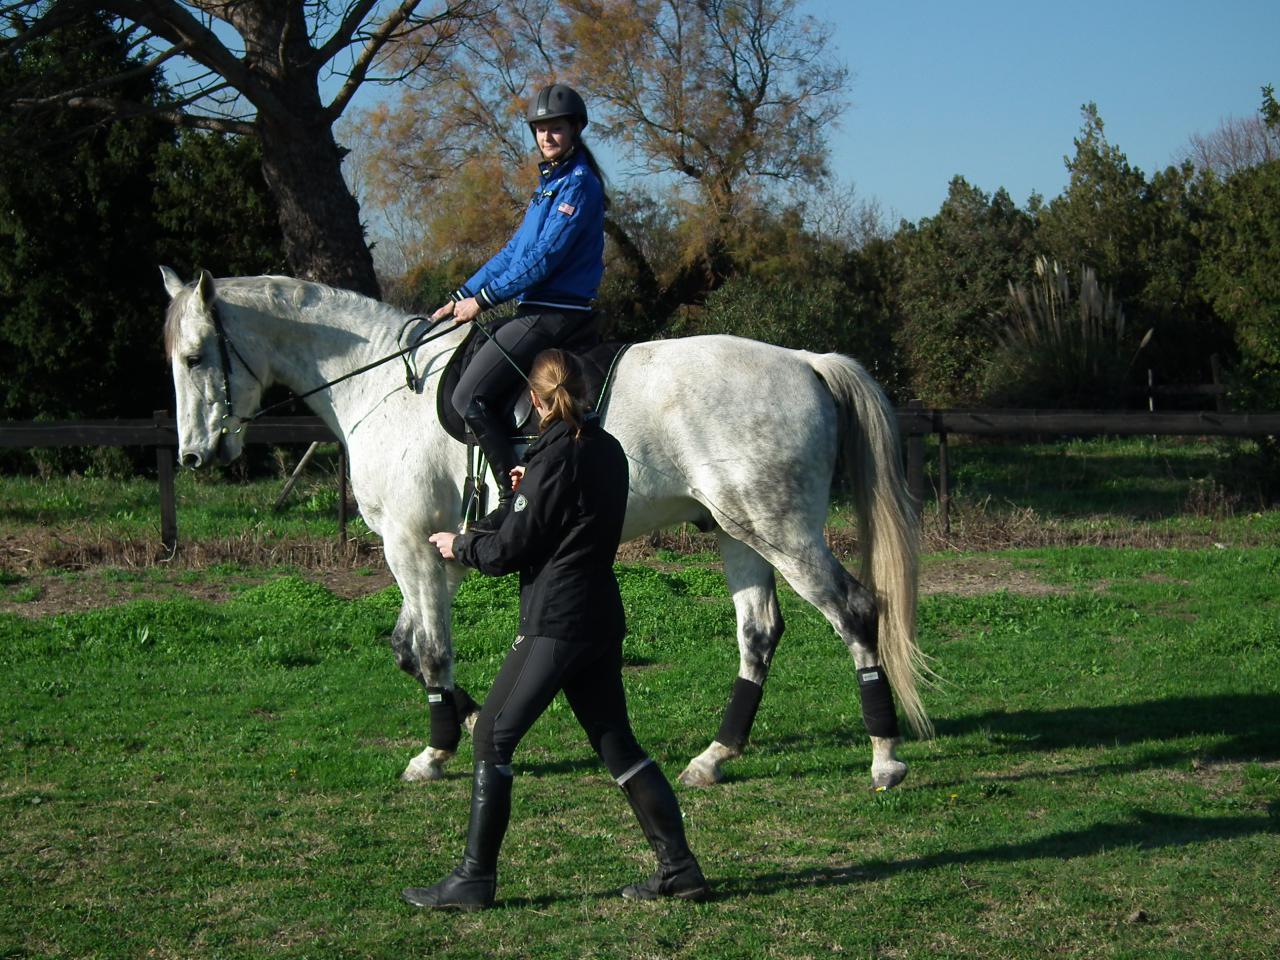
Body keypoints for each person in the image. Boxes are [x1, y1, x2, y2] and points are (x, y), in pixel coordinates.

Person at [403, 349, 710, 911]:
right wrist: (525, 492)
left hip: (558, 620)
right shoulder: (606, 448)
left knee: (491, 735)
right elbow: (553, 512)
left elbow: (510, 548)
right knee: (617, 743)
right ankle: (680, 870)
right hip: (599, 616)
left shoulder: (554, 457)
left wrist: (460, 544)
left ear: (536, 400)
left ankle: (474, 879)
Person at [433, 83, 608, 521]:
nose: (547, 136)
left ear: (575, 129)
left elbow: (544, 259)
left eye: (556, 128)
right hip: (535, 307)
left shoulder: (579, 185)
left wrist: (484, 300)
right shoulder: (549, 186)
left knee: (468, 395)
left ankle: (510, 499)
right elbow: (514, 252)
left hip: (556, 311)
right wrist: (462, 294)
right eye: (540, 129)